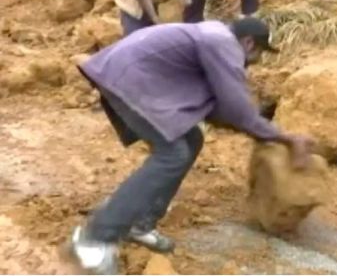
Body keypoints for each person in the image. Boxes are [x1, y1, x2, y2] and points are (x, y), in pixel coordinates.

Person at [68, 18, 314, 274]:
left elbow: (219, 111)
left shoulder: (213, 38)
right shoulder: (223, 43)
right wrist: (284, 139)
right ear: (248, 42)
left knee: (191, 140)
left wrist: (263, 134)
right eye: (259, 53)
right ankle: (94, 239)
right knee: (172, 155)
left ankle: (140, 223)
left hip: (131, 75)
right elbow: (236, 108)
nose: (257, 61)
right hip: (130, 79)